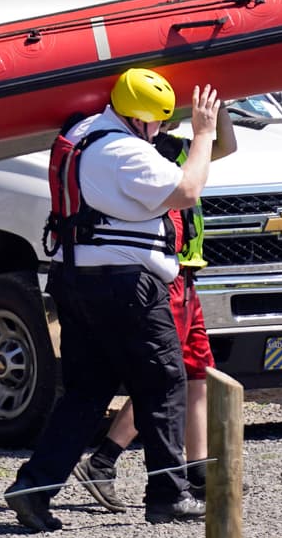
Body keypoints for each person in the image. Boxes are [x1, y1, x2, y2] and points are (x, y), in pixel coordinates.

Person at [5, 68, 220, 531]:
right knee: (163, 384)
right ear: (141, 120)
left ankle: (34, 488)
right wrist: (203, 135)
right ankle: (168, 494)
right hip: (125, 287)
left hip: (75, 279)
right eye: (158, 122)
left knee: (84, 392)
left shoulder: (83, 131)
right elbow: (187, 190)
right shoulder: (124, 151)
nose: (162, 130)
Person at [72, 111, 236, 511]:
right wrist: (200, 126)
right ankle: (105, 459)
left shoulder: (182, 148)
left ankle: (197, 470)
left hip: (188, 270)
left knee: (197, 372)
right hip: (166, 276)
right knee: (165, 376)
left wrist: (220, 107)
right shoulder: (150, 153)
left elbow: (226, 146)